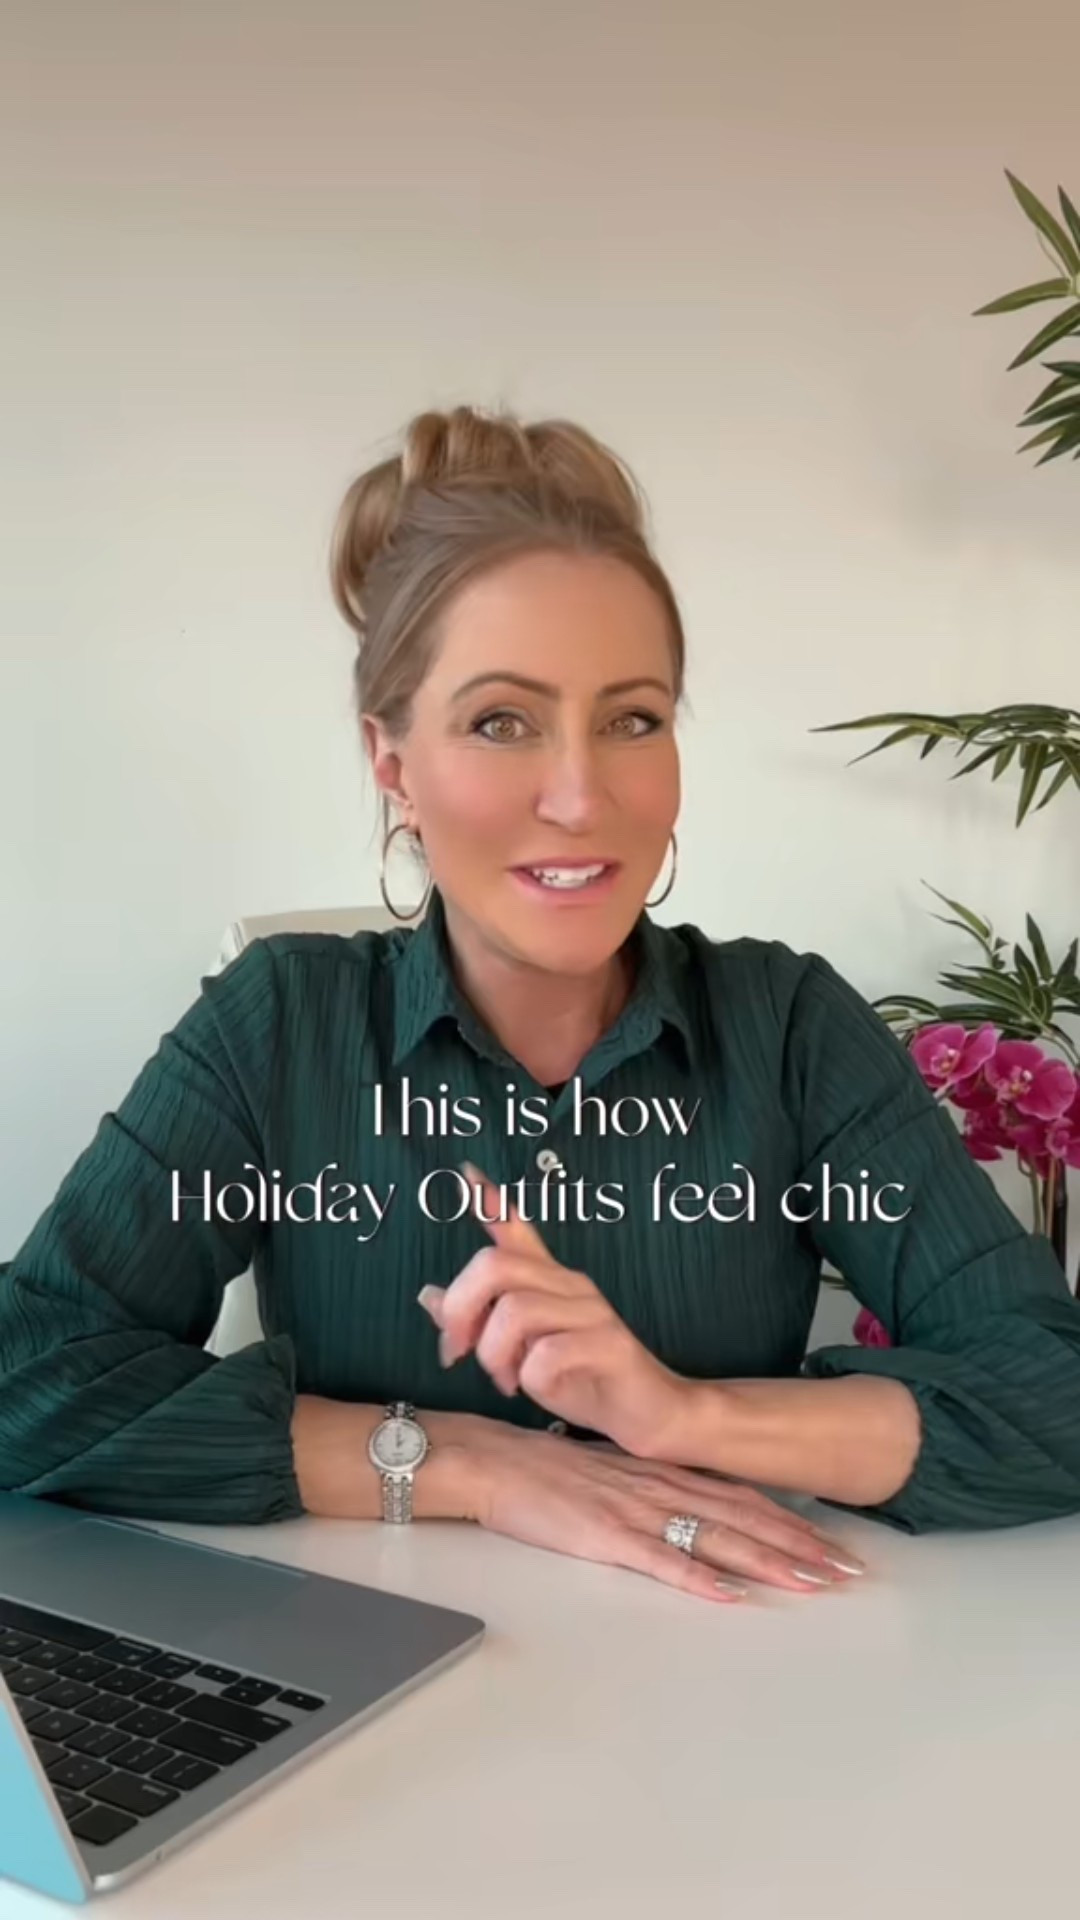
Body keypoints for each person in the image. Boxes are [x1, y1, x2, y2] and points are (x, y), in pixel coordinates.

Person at [3, 405, 1080, 1609]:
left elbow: (1053, 1393)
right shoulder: (279, 1025)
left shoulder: (789, 1026)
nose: (580, 795)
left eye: (633, 719)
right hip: (379, 1675)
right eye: (501, 722)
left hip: (738, 1658)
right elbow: (24, 1377)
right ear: (393, 764)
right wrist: (465, 1463)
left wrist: (683, 1414)